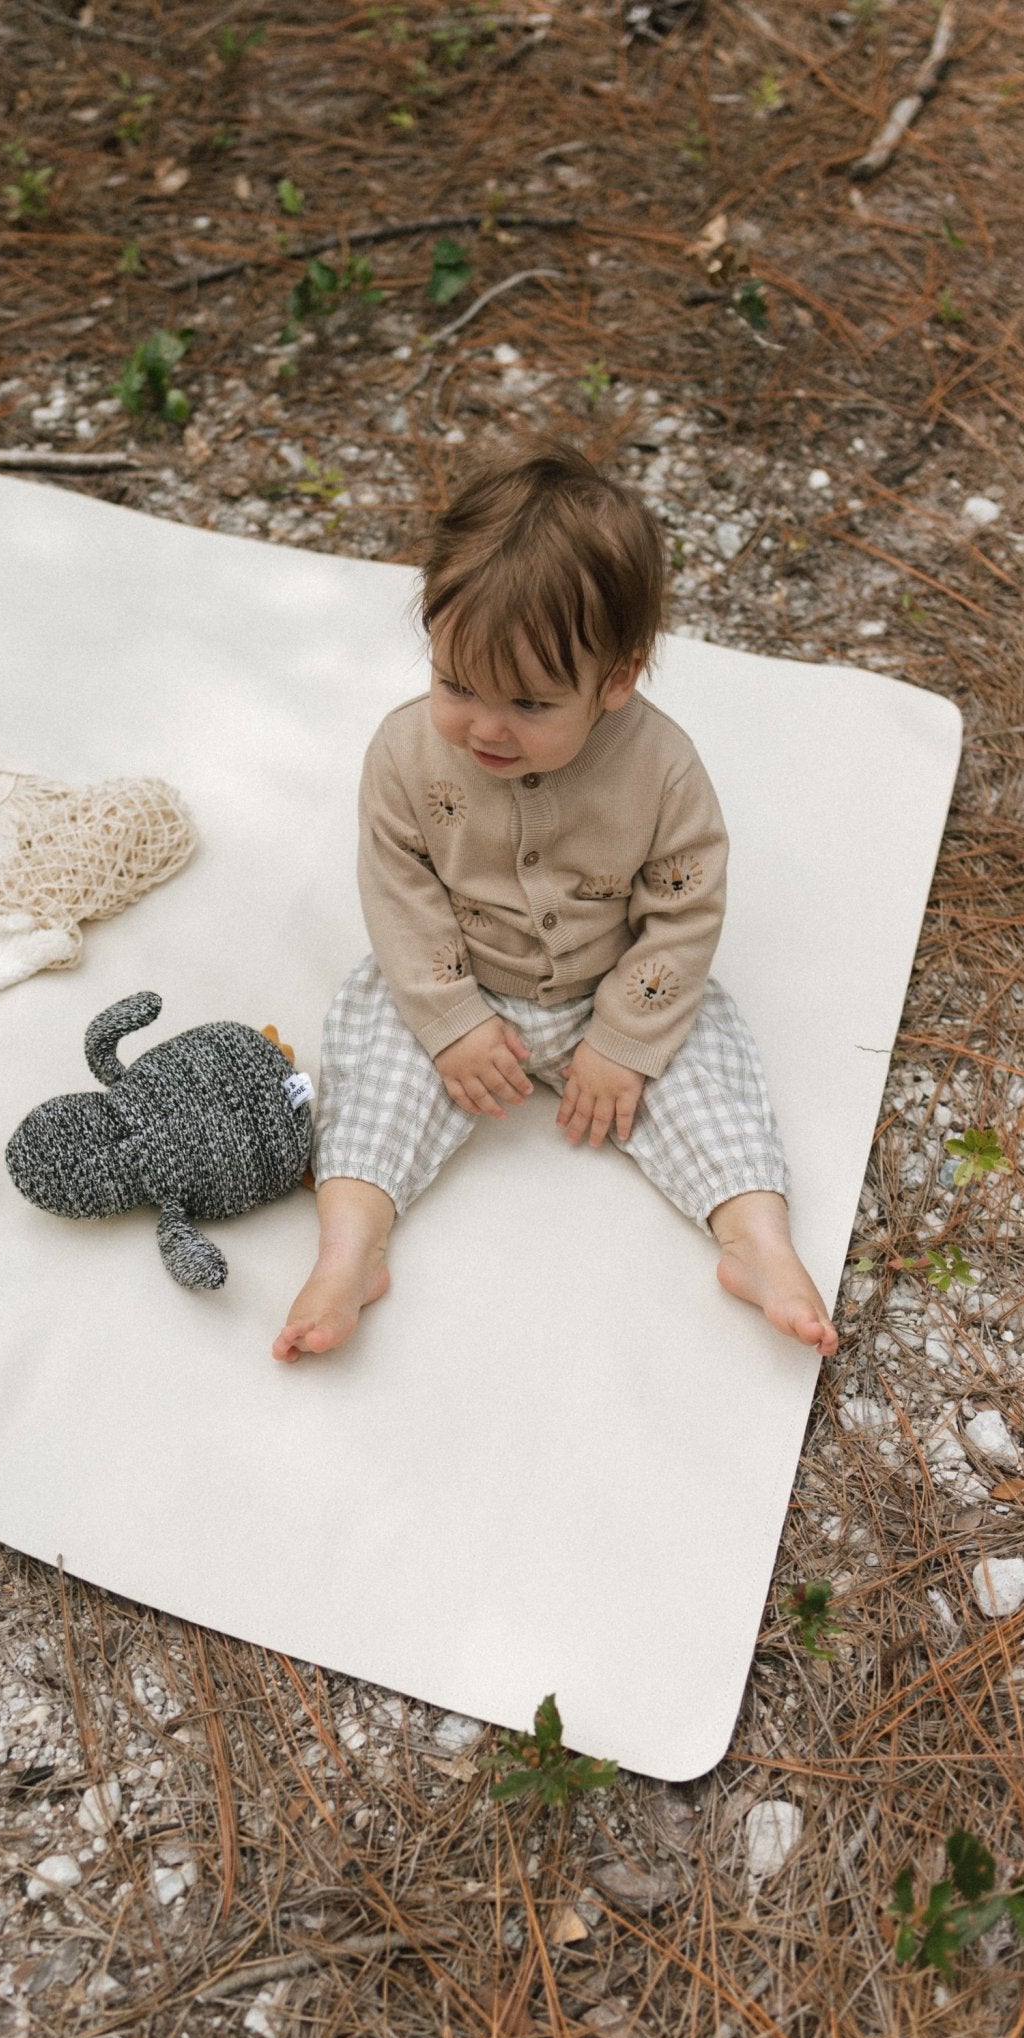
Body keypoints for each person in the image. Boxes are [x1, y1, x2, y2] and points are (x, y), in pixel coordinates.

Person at [273, 443, 838, 1364]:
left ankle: (756, 1241)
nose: (485, 727)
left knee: (706, 1078)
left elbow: (685, 909)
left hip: (615, 984)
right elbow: (399, 889)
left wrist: (622, 1040)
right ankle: (350, 1249)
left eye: (530, 704)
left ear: (616, 679)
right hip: (455, 977)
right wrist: (450, 1020)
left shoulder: (660, 770)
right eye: (456, 684)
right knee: (375, 1075)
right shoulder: (406, 754)